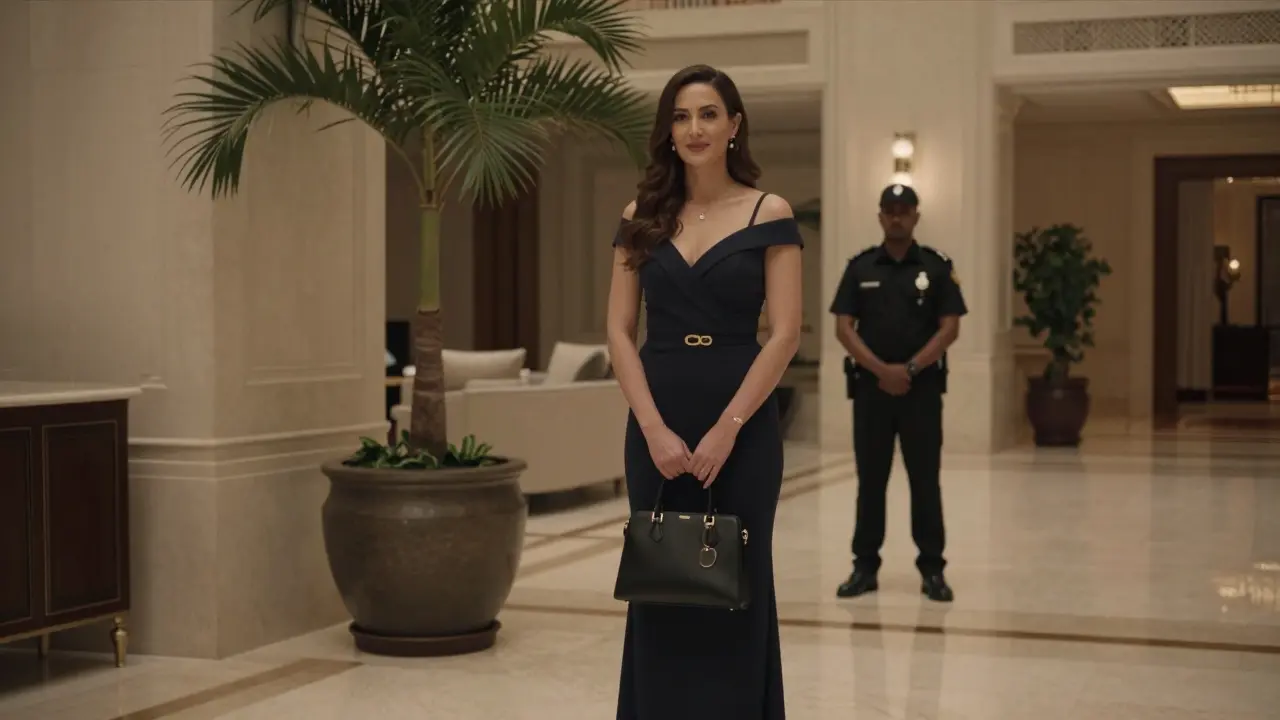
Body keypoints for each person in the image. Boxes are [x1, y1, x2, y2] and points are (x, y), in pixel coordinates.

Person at [606, 64, 803, 720]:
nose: (695, 128)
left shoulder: (767, 211)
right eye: (682, 116)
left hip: (740, 428)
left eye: (709, 114)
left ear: (734, 126)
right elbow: (617, 330)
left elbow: (784, 334)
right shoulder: (641, 216)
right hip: (657, 421)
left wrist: (731, 426)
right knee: (660, 586)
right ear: (668, 130)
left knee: (740, 585)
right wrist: (654, 429)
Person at [828, 183, 965, 603]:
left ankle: (933, 570)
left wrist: (907, 369)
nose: (897, 216)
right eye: (889, 209)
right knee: (871, 481)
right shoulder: (860, 268)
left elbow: (950, 326)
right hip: (871, 392)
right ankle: (864, 567)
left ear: (916, 216)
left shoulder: (937, 268)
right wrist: (881, 371)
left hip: (920, 392)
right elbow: (843, 327)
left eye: (904, 210)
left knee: (925, 482)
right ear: (880, 216)